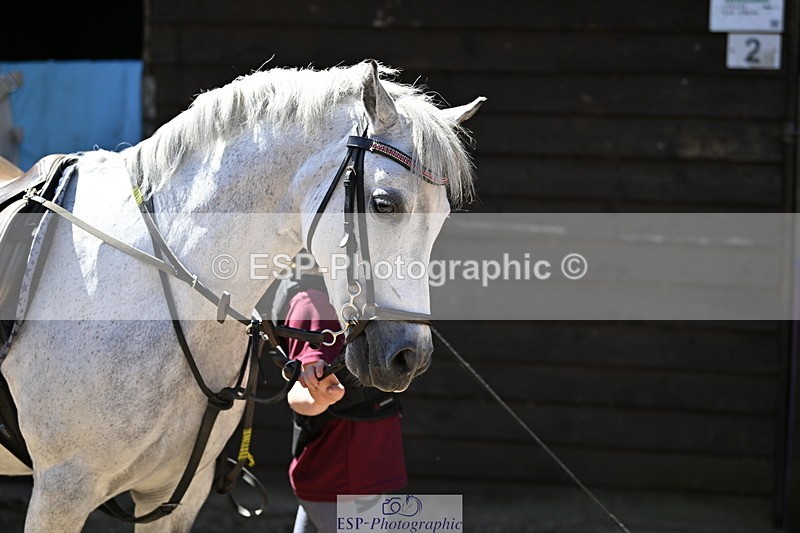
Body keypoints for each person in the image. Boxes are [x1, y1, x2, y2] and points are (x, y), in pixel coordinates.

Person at [272, 269, 407, 533]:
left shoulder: (363, 297)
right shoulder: (313, 302)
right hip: (344, 482)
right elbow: (298, 391)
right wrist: (318, 396)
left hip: (358, 474)